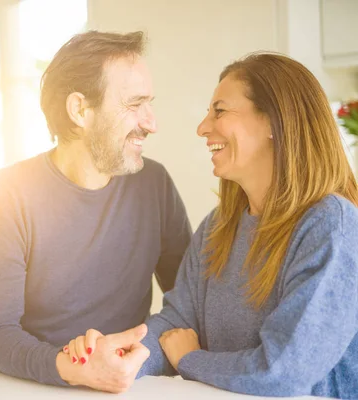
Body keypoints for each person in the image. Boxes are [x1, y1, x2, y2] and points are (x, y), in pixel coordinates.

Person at [65, 52, 358, 398]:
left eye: (219, 111)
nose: (203, 127)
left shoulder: (331, 226)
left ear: (274, 122)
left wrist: (190, 359)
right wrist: (119, 355)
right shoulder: (218, 226)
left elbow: (281, 371)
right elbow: (176, 324)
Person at [0, 30, 192, 391]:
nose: (151, 123)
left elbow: (189, 298)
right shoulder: (3, 197)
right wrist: (75, 368)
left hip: (131, 385)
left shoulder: (154, 183)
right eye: (134, 104)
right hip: (32, 389)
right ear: (80, 109)